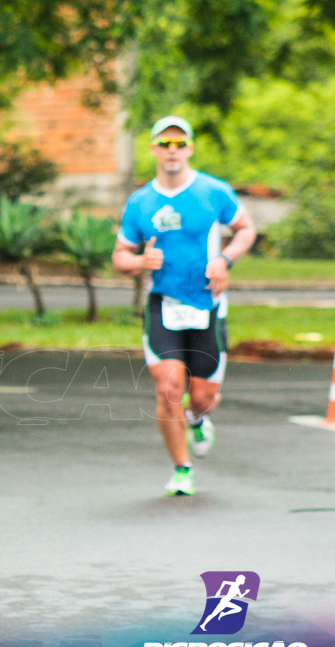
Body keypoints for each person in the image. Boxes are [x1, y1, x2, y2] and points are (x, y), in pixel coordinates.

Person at [113, 116, 257, 496]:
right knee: (168, 387)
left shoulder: (213, 191)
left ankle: (198, 418)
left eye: (179, 144)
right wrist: (139, 263)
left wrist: (225, 260)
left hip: (208, 304)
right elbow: (120, 257)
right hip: (163, 305)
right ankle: (182, 469)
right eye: (165, 144)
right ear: (154, 149)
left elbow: (246, 229)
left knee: (203, 395)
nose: (172, 151)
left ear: (189, 148)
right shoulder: (140, 201)